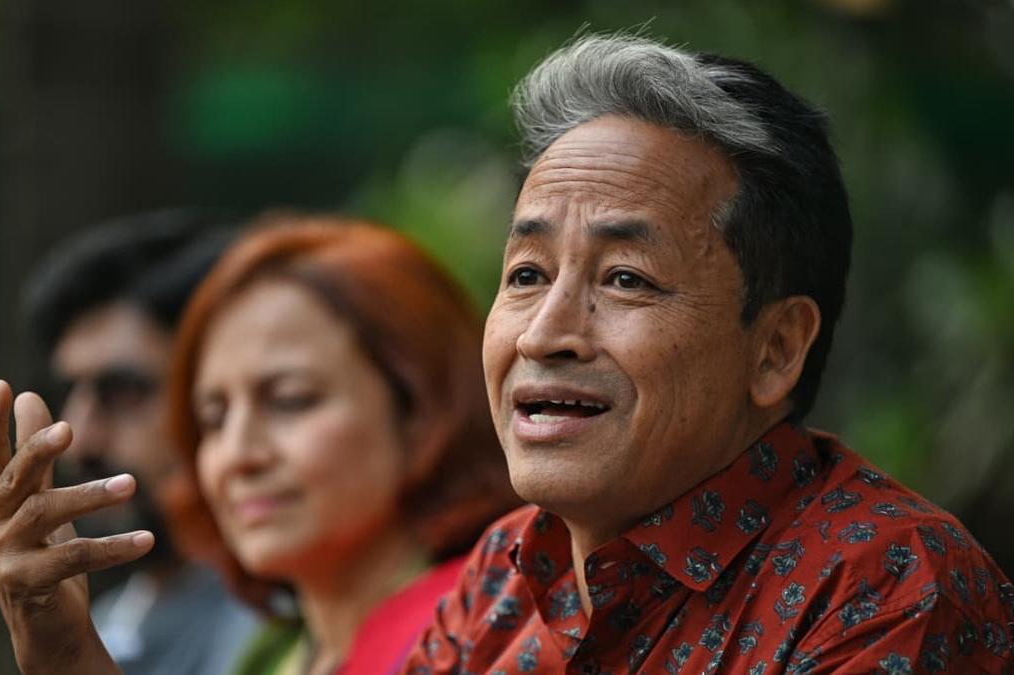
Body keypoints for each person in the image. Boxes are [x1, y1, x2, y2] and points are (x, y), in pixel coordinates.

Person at [402, 34, 1014, 674]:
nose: (542, 335)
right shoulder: (505, 572)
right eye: (527, 275)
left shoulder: (885, 587)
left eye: (626, 278)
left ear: (776, 349)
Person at [0, 215, 521, 674]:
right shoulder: (275, 652)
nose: (237, 455)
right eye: (213, 418)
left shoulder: (493, 632)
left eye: (290, 400)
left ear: (420, 411)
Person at [5, 210, 257, 674]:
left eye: (123, 392)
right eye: (68, 393)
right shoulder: (100, 625)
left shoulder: (288, 620)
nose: (79, 441)